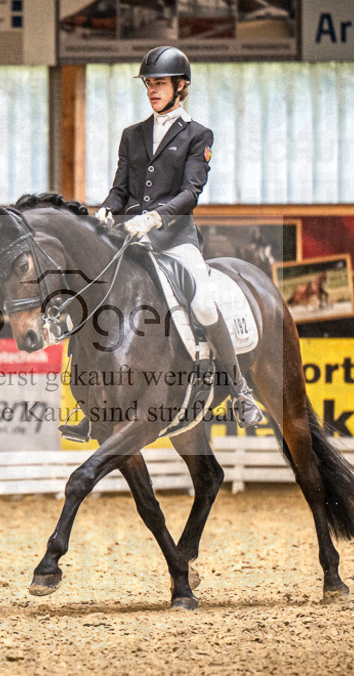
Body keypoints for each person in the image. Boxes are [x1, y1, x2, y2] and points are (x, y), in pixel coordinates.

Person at [60, 45, 263, 441]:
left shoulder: (198, 135)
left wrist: (155, 217)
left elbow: (191, 191)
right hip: (130, 239)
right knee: (90, 296)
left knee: (204, 302)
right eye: (149, 84)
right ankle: (89, 406)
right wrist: (106, 210)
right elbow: (120, 190)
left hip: (174, 239)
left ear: (180, 86)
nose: (152, 90)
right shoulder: (132, 136)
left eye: (160, 84)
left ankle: (240, 390)